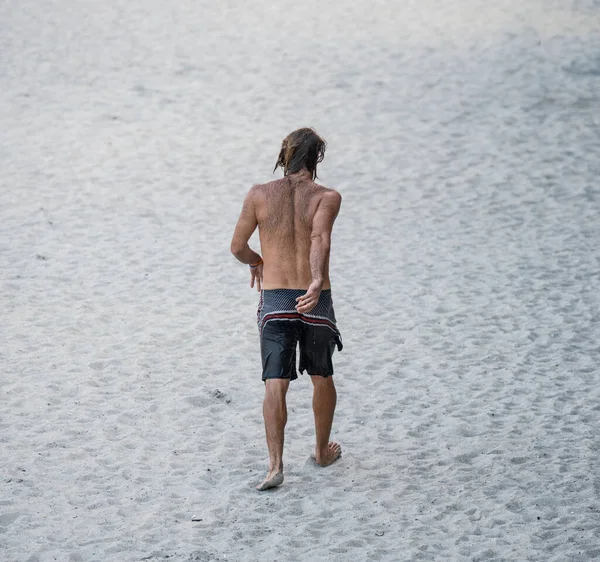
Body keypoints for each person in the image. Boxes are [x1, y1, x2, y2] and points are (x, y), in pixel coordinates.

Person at [230, 128, 343, 491]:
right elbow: (319, 237)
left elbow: (236, 247)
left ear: (284, 155)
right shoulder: (326, 197)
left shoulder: (259, 195)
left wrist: (256, 261)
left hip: (276, 298)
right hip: (315, 298)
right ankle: (322, 451)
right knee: (321, 376)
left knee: (274, 383)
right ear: (317, 158)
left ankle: (275, 466)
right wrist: (314, 279)